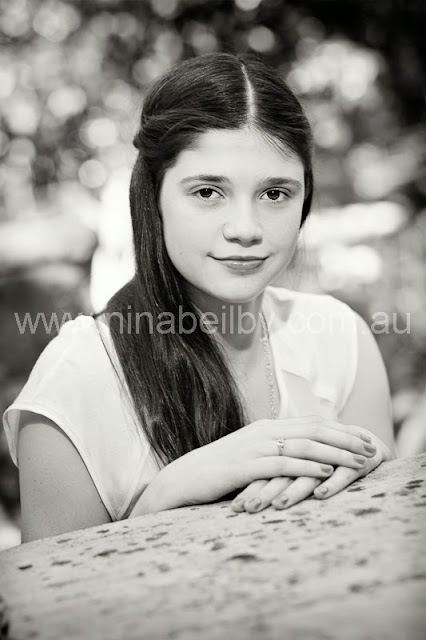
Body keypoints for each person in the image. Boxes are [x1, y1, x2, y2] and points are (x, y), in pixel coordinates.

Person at [2, 52, 396, 543]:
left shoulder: (340, 340)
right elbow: (52, 589)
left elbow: (378, 549)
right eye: (208, 192)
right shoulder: (78, 375)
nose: (245, 229)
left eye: (275, 193)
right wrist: (166, 495)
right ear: (153, 197)